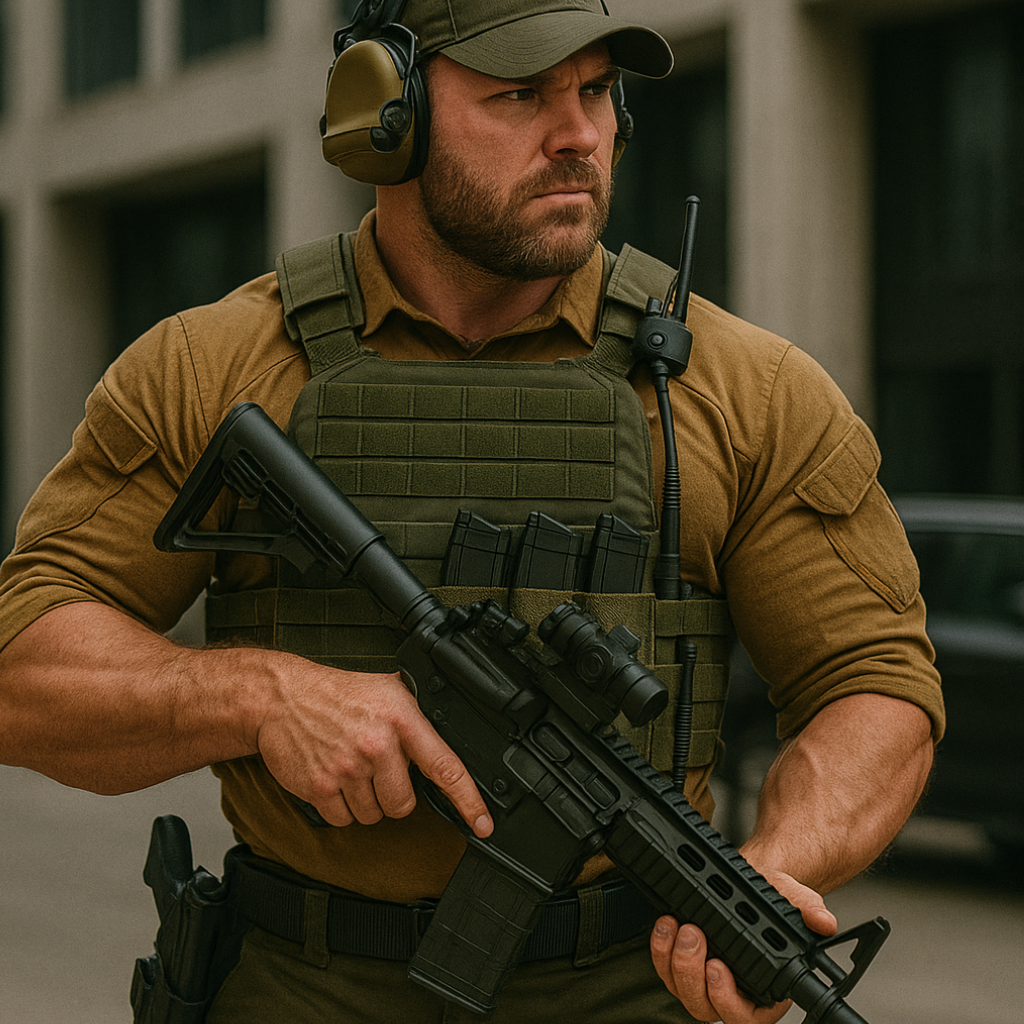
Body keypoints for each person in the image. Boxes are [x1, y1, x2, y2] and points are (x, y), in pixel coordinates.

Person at [0, 1, 942, 1022]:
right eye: (519, 94)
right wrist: (258, 695)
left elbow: (875, 685)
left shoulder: (745, 391)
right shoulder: (215, 364)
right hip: (304, 986)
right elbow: (23, 668)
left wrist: (760, 875)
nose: (579, 133)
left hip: (634, 991)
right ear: (385, 111)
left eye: (594, 91)